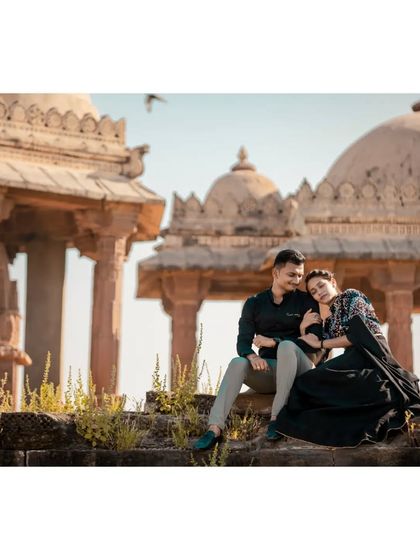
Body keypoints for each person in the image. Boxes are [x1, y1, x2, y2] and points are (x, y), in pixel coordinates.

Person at [272, 269, 420, 447]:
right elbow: (318, 357)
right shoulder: (330, 319)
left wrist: (320, 344)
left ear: (333, 283)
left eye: (321, 286)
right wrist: (304, 329)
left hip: (371, 352)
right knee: (309, 380)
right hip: (351, 357)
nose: (319, 292)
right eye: (314, 292)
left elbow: (356, 336)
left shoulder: (351, 296)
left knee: (311, 382)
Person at [193, 249, 323, 450]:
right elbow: (243, 341)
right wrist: (251, 355)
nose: (297, 280)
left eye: (300, 275)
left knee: (287, 346)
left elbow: (314, 340)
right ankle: (215, 428)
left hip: (301, 370)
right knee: (238, 362)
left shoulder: (307, 301)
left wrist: (275, 341)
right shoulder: (254, 303)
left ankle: (277, 418)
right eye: (291, 274)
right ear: (275, 273)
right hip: (270, 372)